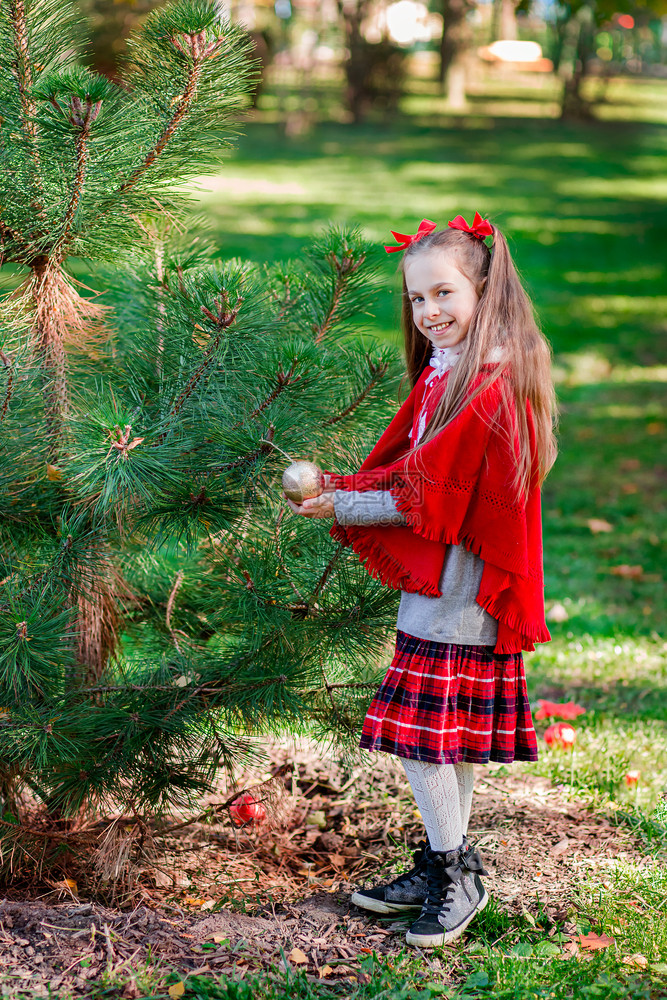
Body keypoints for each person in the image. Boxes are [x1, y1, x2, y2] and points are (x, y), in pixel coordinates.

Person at [285, 213, 557, 948]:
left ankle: (454, 871)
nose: (428, 312)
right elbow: (418, 477)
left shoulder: (489, 385)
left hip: (463, 587)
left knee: (423, 739)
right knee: (445, 737)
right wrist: (345, 491)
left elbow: (428, 494)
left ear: (484, 290)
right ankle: (448, 865)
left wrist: (338, 498)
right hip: (447, 582)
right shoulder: (456, 370)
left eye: (444, 293)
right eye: (415, 299)